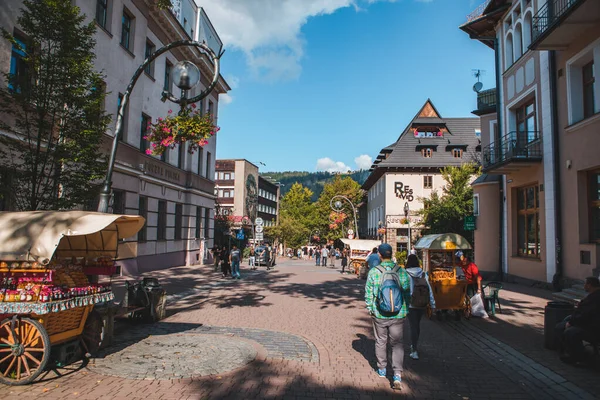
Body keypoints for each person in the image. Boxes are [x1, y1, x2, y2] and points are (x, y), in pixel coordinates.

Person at [364, 243, 410, 390]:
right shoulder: (401, 271)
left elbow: (368, 293)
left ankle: (382, 369)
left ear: (380, 255)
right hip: (398, 313)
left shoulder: (374, 272)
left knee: (380, 341)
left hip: (379, 313)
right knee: (397, 343)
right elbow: (407, 292)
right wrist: (406, 308)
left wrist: (371, 308)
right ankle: (397, 373)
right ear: (392, 254)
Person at [555, 277, 600, 364]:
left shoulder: (596, 297)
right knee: (560, 327)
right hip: (586, 324)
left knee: (570, 332)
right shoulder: (593, 295)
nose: (584, 286)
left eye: (585, 284)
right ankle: (571, 351)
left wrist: (571, 322)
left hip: (593, 328)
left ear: (589, 285)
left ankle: (578, 357)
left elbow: (586, 315)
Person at [405, 253, 435, 360]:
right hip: (422, 303)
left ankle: (414, 349)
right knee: (417, 325)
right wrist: (432, 303)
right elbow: (429, 289)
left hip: (411, 304)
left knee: (413, 326)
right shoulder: (423, 274)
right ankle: (414, 344)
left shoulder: (406, 274)